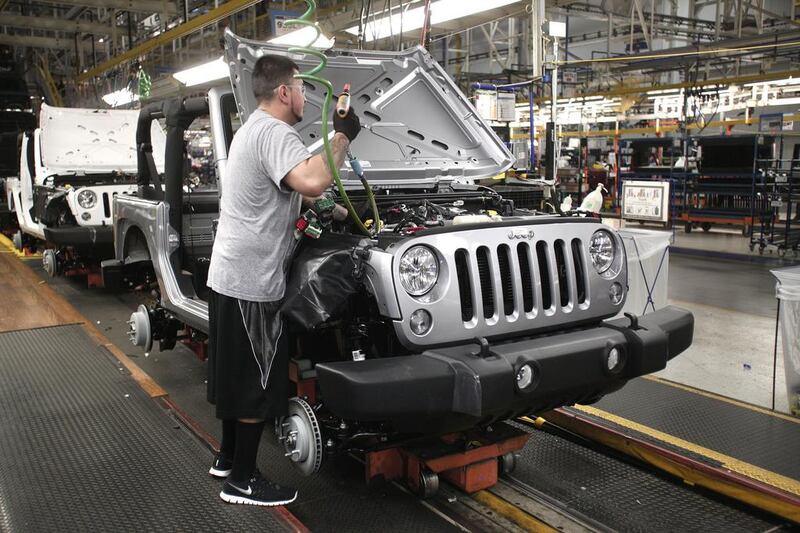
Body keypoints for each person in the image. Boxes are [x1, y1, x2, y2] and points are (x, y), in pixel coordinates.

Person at [205, 54, 360, 506]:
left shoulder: (251, 128)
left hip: (230, 275)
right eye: (303, 88)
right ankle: (243, 481)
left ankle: (227, 458)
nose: (307, 96)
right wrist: (342, 135)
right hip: (252, 281)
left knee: (236, 373)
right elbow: (312, 179)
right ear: (285, 91)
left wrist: (332, 212)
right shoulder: (275, 132)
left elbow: (287, 194)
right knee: (257, 380)